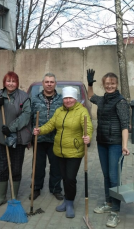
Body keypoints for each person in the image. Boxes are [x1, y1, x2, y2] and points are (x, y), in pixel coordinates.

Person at [33, 86, 92, 218]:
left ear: (75, 99)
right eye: (65, 98)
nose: (68, 100)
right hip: (59, 151)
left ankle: (70, 203)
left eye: (70, 98)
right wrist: (40, 130)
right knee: (64, 177)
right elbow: (51, 124)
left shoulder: (81, 111)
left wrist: (88, 137)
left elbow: (88, 126)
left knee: (70, 178)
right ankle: (66, 200)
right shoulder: (59, 111)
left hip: (75, 151)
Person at [87, 69, 130, 228]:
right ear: (104, 85)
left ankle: (116, 212)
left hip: (116, 144)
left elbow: (125, 125)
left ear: (116, 84)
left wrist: (124, 146)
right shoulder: (103, 99)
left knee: (114, 177)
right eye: (107, 84)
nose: (110, 86)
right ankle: (108, 202)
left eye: (112, 84)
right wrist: (90, 83)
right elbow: (91, 97)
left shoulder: (121, 102)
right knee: (106, 176)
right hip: (102, 142)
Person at [0, 71, 32, 208]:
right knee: (1, 168)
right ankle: (1, 197)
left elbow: (26, 115)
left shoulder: (23, 97)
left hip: (17, 138)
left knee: (16, 168)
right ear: (4, 82)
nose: (11, 84)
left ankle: (13, 196)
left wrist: (11, 128)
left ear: (17, 83)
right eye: (8, 81)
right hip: (0, 139)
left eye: (13, 81)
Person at [29, 73, 63, 201]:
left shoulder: (61, 100)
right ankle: (36, 188)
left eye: (52, 82)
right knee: (38, 166)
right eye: (47, 82)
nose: (49, 84)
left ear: (55, 84)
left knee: (56, 166)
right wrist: (30, 135)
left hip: (55, 139)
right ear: (43, 83)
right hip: (39, 139)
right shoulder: (35, 99)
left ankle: (55, 189)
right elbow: (29, 118)